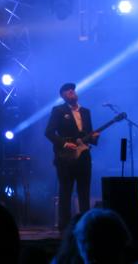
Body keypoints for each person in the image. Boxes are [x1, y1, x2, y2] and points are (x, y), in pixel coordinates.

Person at [45, 82, 99, 231]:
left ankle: (86, 226)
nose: (71, 92)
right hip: (65, 157)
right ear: (63, 96)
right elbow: (49, 132)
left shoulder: (86, 112)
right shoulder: (58, 110)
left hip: (84, 155)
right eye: (67, 91)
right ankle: (65, 228)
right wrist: (64, 143)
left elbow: (88, 134)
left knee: (84, 191)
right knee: (66, 191)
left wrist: (94, 138)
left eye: (72, 90)